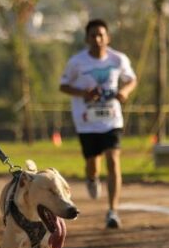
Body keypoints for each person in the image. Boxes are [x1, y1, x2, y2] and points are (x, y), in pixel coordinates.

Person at [59, 19, 137, 230]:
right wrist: (83, 93)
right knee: (93, 164)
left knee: (113, 160)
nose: (97, 39)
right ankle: (92, 178)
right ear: (87, 39)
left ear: (107, 38)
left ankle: (112, 211)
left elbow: (131, 79)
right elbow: (63, 85)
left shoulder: (118, 59)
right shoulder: (77, 62)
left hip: (111, 119)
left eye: (101, 35)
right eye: (93, 35)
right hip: (86, 122)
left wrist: (124, 92)